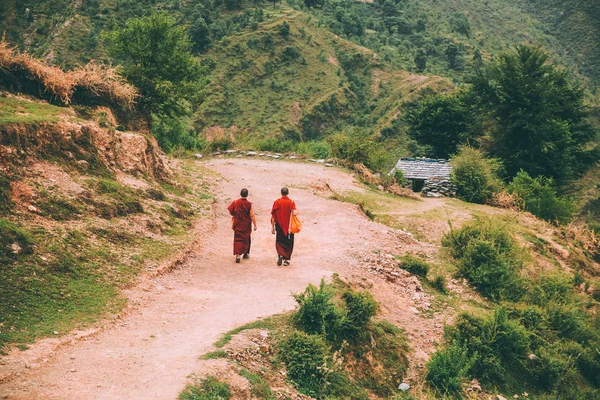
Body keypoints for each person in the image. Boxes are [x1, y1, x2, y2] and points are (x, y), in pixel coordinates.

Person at [227, 188, 257, 263]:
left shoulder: (235, 202)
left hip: (238, 223)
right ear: (247, 195)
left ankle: (237, 254)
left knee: (238, 239)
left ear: (240, 194)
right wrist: (255, 224)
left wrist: (235, 215)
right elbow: (252, 215)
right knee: (246, 239)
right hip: (246, 224)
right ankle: (245, 254)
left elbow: (230, 211)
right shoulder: (249, 204)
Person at [271, 186, 297, 266]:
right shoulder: (291, 202)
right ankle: (286, 260)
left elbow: (273, 216)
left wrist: (272, 227)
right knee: (289, 242)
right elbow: (295, 213)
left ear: (281, 193)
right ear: (288, 193)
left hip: (279, 226)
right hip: (288, 226)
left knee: (279, 241)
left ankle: (281, 254)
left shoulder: (277, 202)